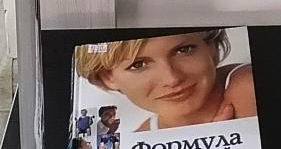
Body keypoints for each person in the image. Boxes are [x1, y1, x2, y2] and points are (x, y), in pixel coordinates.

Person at [75, 32, 256, 130]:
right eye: (138, 65)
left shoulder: (246, 86)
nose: (172, 79)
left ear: (210, 46)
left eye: (184, 50)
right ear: (107, 78)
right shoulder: (142, 135)